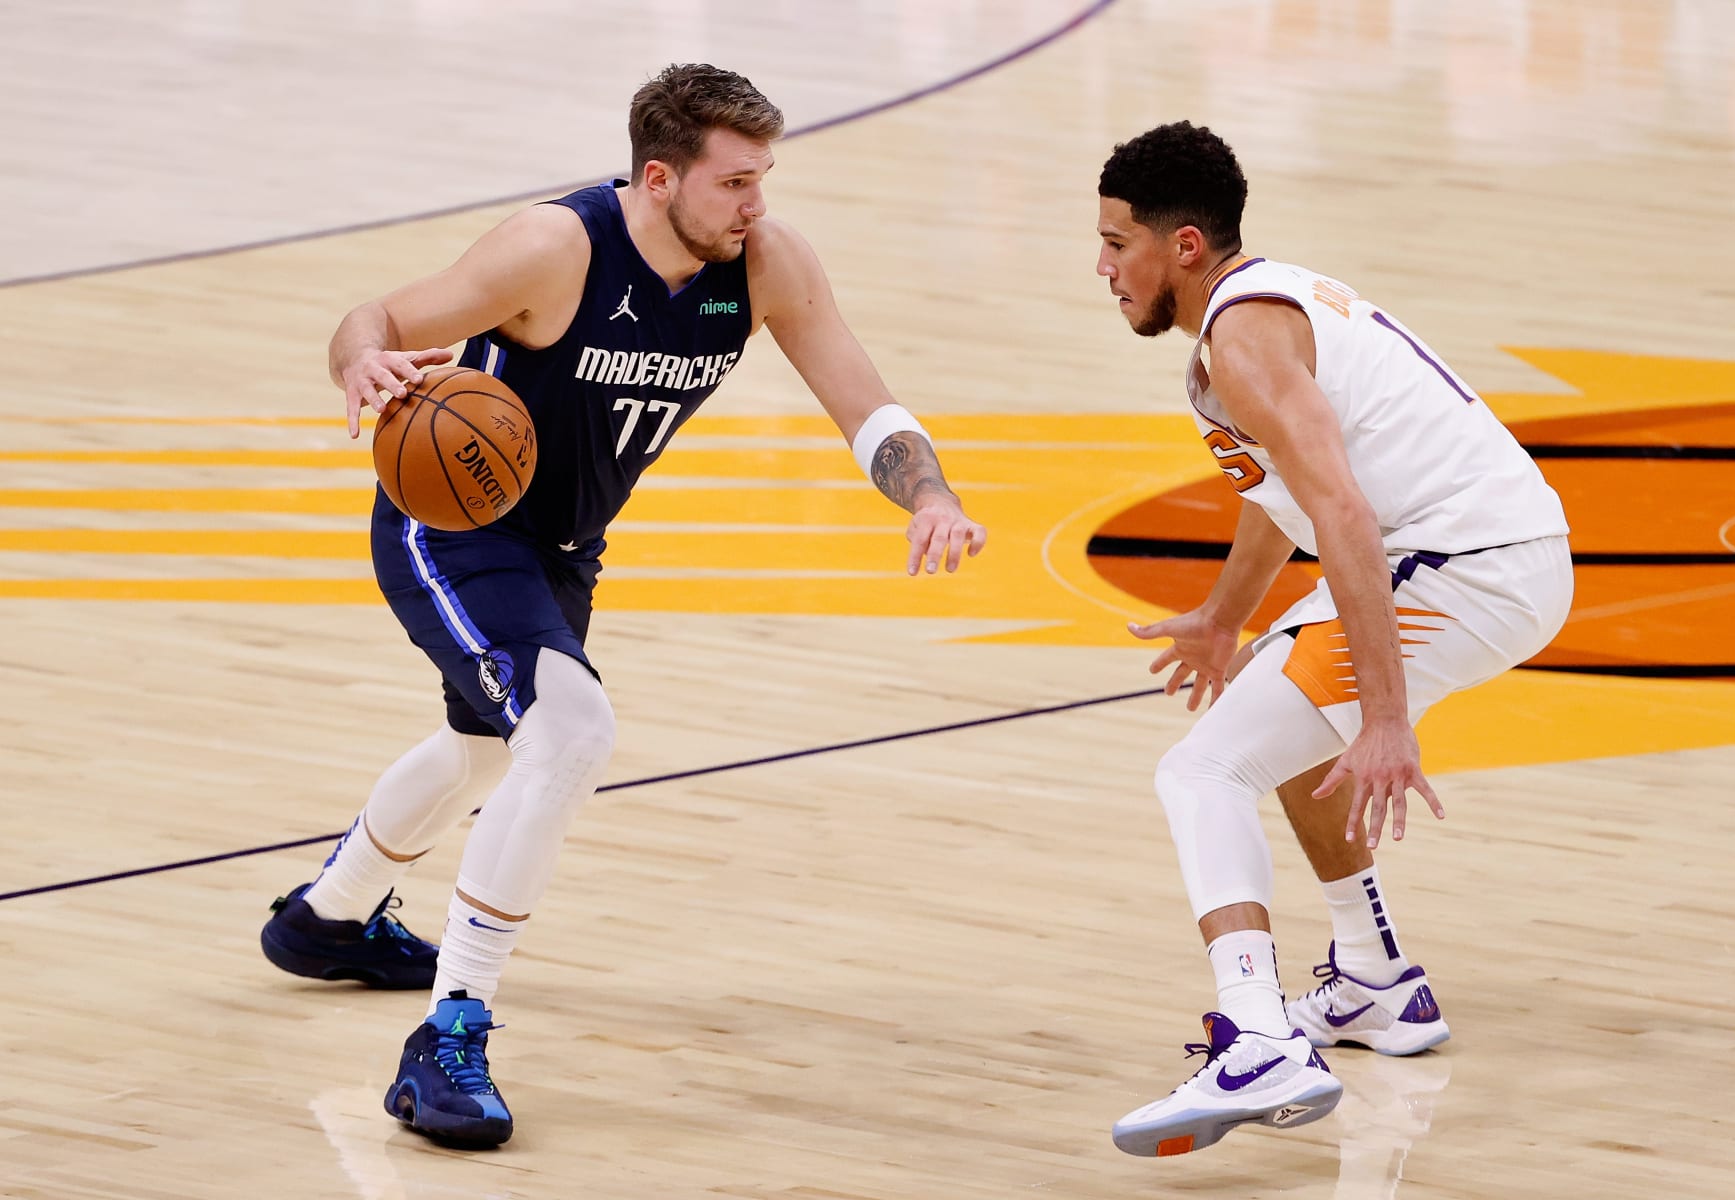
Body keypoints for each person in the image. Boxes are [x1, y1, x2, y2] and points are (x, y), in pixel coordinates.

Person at [258, 63, 987, 1148]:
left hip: (560, 548)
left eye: (764, 178)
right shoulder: (556, 249)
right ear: (660, 177)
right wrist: (362, 359)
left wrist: (927, 488)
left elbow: (863, 400)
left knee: (491, 751)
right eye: (737, 182)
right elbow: (372, 315)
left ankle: (327, 921)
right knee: (569, 729)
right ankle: (449, 1035)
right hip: (452, 528)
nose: (758, 204)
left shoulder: (766, 263)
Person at [1093, 122, 1570, 1157]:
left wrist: (1392, 720)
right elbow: (1288, 494)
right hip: (1484, 555)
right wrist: (1225, 618)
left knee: (1204, 771)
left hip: (1464, 565)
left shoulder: (1245, 335)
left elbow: (1345, 515)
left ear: (1182, 246)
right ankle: (1377, 983)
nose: (1103, 267)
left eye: (1117, 241)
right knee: (1292, 739)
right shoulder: (1262, 304)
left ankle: (1259, 1038)